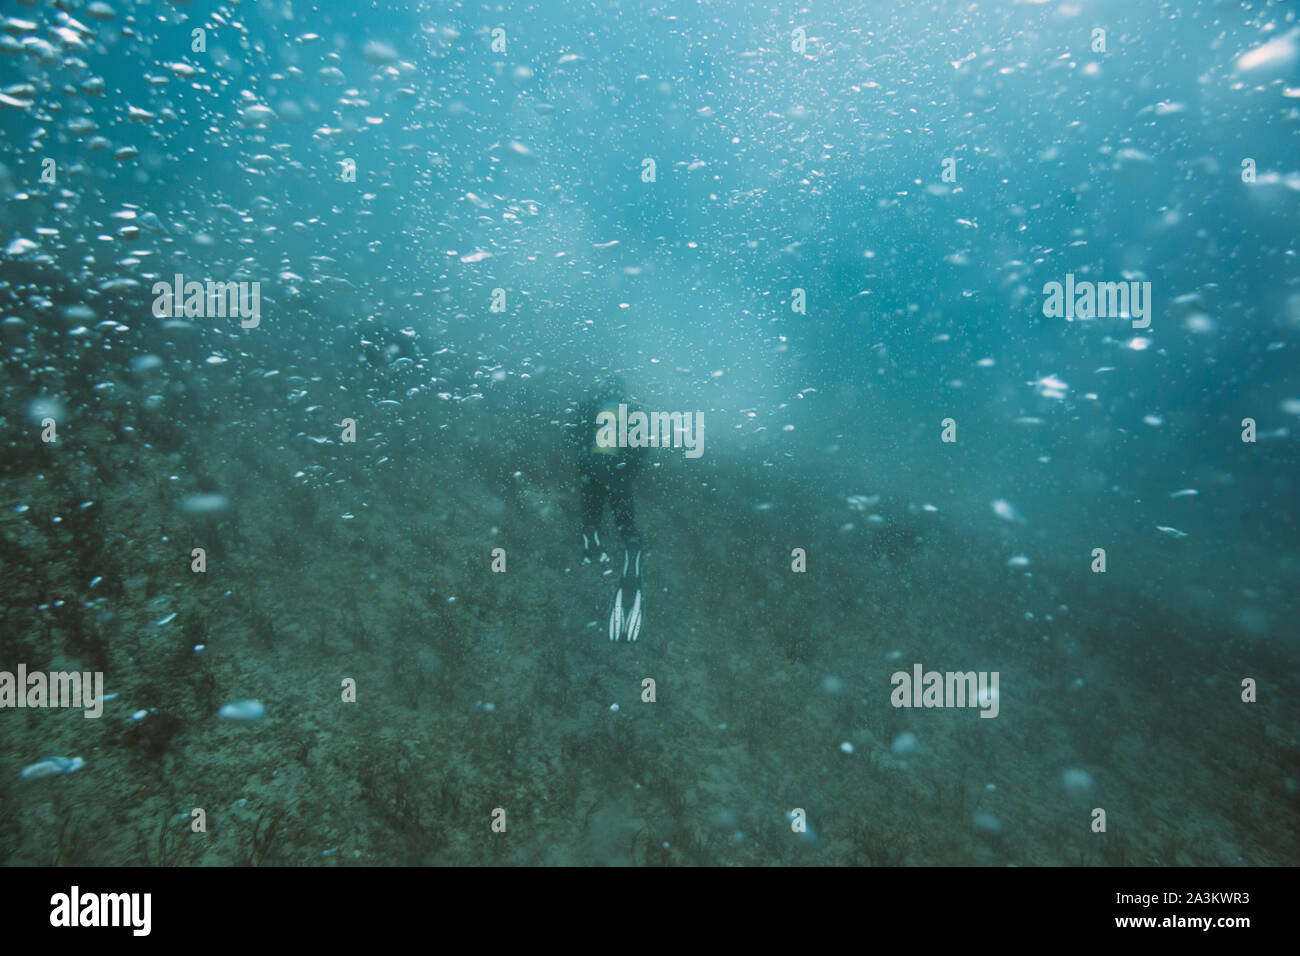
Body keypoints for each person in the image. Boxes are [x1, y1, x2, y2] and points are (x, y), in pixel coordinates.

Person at [570, 375, 645, 641]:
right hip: (619, 473)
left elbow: (574, 435)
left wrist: (585, 464)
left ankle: (592, 543)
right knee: (625, 519)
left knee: (591, 509)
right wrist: (627, 472)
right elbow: (642, 448)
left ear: (603, 388)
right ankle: (631, 545)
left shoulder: (591, 404)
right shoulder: (633, 410)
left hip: (593, 469)